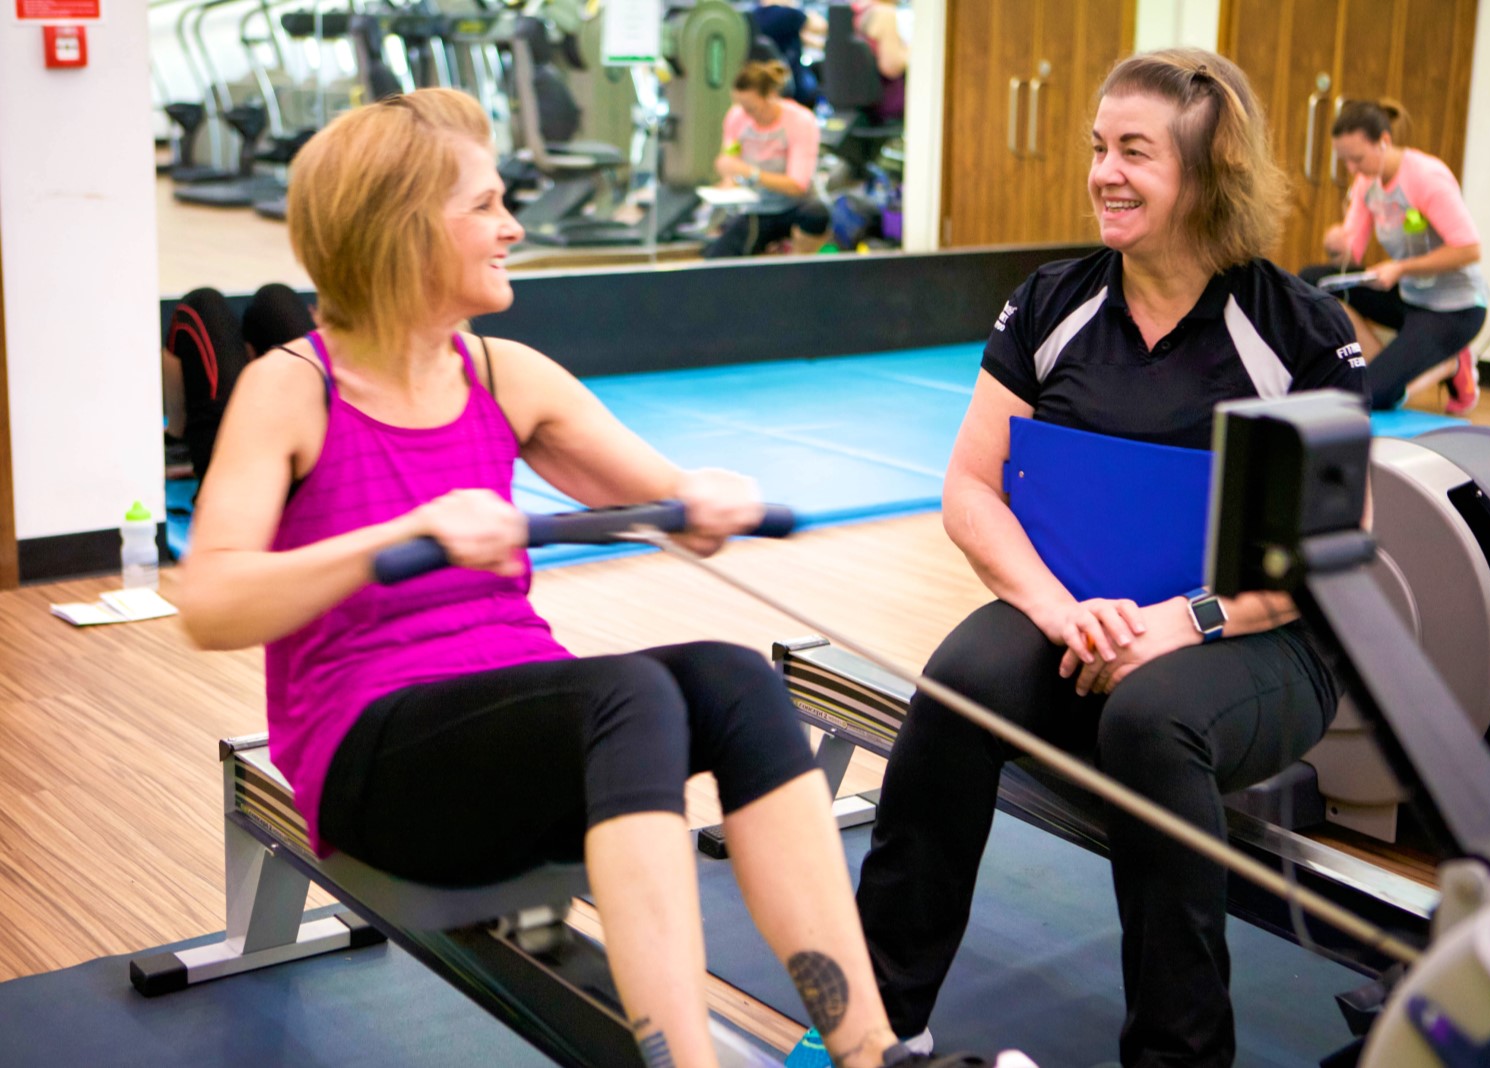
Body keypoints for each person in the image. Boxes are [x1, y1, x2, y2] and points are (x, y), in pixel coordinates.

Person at [175, 87, 1030, 1068]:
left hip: (513, 734)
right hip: (372, 759)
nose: (511, 227)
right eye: (486, 206)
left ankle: (873, 1051)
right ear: (405, 230)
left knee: (730, 675)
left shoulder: (502, 375)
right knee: (623, 696)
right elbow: (209, 603)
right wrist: (398, 534)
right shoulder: (295, 388)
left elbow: (662, 494)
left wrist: (703, 499)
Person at [853, 50, 1368, 1068]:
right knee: (957, 686)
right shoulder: (1052, 303)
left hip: (1254, 641)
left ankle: (1179, 1055)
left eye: (1134, 151)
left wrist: (1187, 620)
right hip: (1080, 618)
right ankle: (873, 1023)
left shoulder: (1298, 332)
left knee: (1150, 714)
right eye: (1098, 148)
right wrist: (1056, 610)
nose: (1103, 172)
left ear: (1207, 172)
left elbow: (1318, 559)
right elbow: (970, 488)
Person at [1300, 99, 1489, 414]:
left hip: (1454, 310)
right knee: (1313, 280)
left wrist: (1401, 267)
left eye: (1357, 158)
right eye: (1345, 160)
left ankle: (1453, 363)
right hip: (1409, 295)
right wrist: (1334, 240)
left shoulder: (1426, 177)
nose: (1351, 169)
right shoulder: (1366, 182)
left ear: (1384, 142)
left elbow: (1469, 249)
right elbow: (1351, 253)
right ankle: (1376, 363)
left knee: (1371, 396)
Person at [162, 283, 314, 483]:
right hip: (317, 449)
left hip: (246, 470)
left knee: (201, 303)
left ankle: (177, 436)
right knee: (272, 298)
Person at [706, 60, 832, 259]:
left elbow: (797, 184)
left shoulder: (800, 121)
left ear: (771, 96)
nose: (745, 113)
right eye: (740, 106)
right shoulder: (738, 117)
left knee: (816, 213)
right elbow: (730, 157)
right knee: (717, 257)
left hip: (795, 206)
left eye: (751, 108)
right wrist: (728, 179)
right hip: (757, 208)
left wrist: (750, 173)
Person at [752, 0, 826, 109]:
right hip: (795, 86)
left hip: (765, 85)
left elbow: (796, 38)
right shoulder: (789, 14)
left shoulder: (755, 15)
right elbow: (821, 27)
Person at [849, 0, 908, 122]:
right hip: (884, 104)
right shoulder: (884, 15)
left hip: (854, 104)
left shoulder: (854, 9)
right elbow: (891, 67)